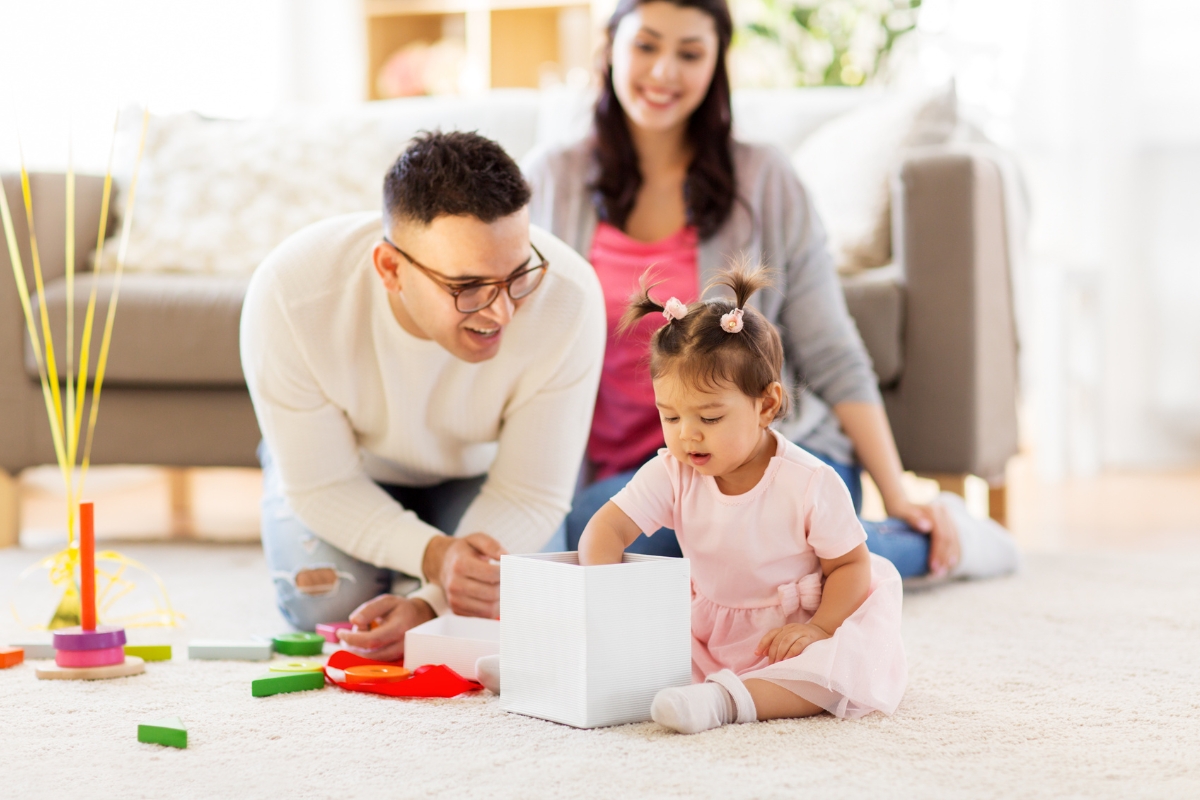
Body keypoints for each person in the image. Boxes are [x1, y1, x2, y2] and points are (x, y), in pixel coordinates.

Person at [524, 0, 1018, 581]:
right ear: (610, 49)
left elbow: (835, 353)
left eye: (690, 53)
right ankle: (837, 556)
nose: (664, 72)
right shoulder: (550, 180)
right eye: (647, 45)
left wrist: (897, 490)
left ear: (716, 65)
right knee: (596, 532)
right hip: (633, 471)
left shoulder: (764, 179)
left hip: (763, 462)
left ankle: (923, 541)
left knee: (714, 548)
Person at [240, 131, 606, 661]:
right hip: (347, 470)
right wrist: (433, 556)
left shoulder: (568, 297)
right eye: (468, 287)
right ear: (390, 269)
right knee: (331, 607)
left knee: (514, 601)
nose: (501, 312)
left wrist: (433, 602)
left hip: (484, 472)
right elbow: (323, 484)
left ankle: (407, 560)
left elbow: (529, 493)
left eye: (517, 274)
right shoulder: (290, 294)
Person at [578, 265, 906, 733]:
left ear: (766, 405)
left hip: (790, 634)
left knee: (829, 677)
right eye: (669, 416)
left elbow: (852, 567)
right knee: (644, 648)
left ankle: (724, 704)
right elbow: (606, 528)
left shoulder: (810, 482)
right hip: (706, 629)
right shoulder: (673, 471)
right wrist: (604, 595)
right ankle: (546, 667)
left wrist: (818, 629)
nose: (686, 435)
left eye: (709, 418)